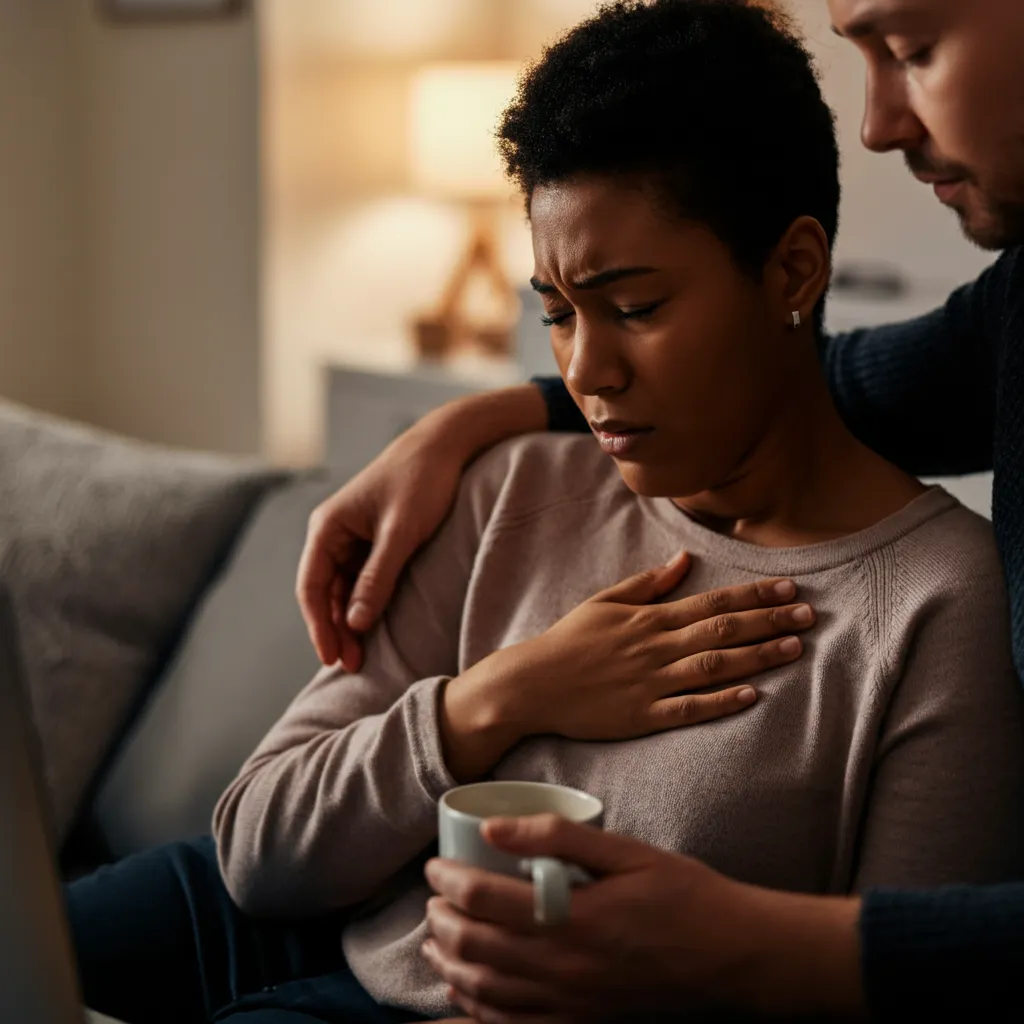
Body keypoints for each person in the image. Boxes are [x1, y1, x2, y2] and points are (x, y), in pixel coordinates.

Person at [65, 3, 1024, 1024]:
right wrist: (497, 695)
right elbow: (258, 849)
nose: (584, 371)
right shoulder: (513, 486)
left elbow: (904, 989)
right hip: (336, 933)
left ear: (791, 271)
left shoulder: (931, 605)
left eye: (636, 308)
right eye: (556, 315)